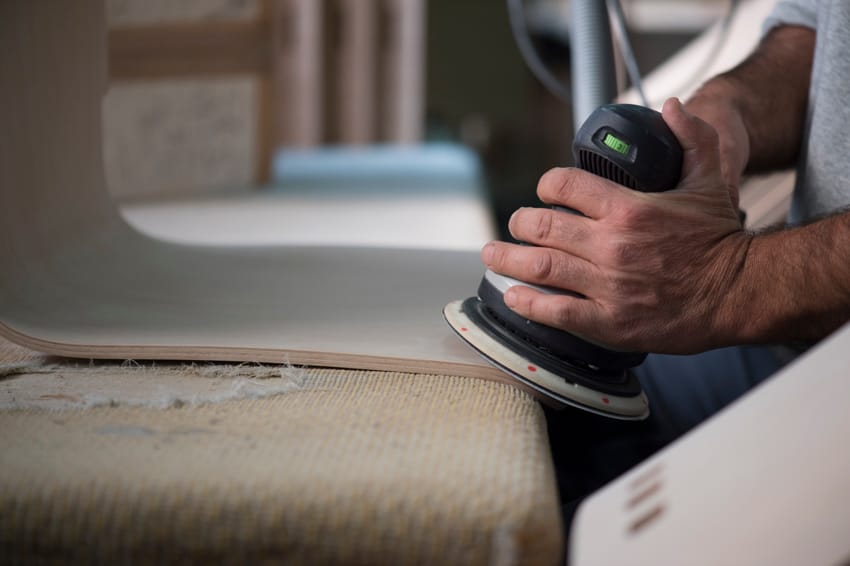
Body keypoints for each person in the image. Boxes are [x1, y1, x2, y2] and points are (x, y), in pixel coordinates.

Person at [482, 0, 850, 540]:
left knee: (563, 533)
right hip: (788, 344)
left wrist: (729, 282)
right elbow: (821, 33)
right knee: (512, 445)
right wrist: (727, 114)